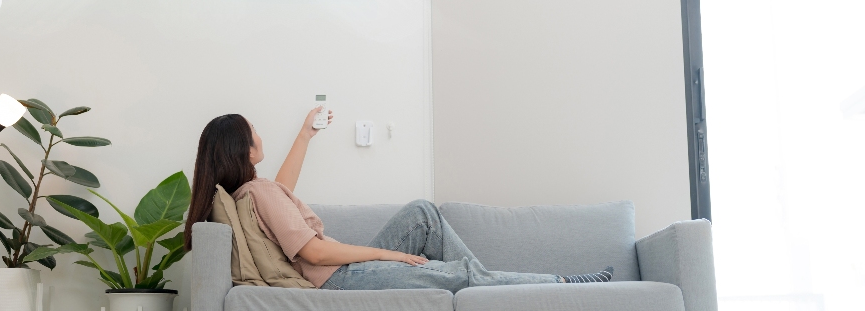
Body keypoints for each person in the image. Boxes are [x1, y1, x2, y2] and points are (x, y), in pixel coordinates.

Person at [182, 110, 613, 293]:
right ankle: (552, 286)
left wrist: (305, 135)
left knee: (423, 215)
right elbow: (313, 251)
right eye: (253, 129)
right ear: (243, 147)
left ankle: (485, 284)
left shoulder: (251, 193)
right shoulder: (258, 192)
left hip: (336, 274)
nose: (260, 133)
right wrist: (388, 254)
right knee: (452, 271)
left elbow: (281, 192)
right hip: (338, 279)